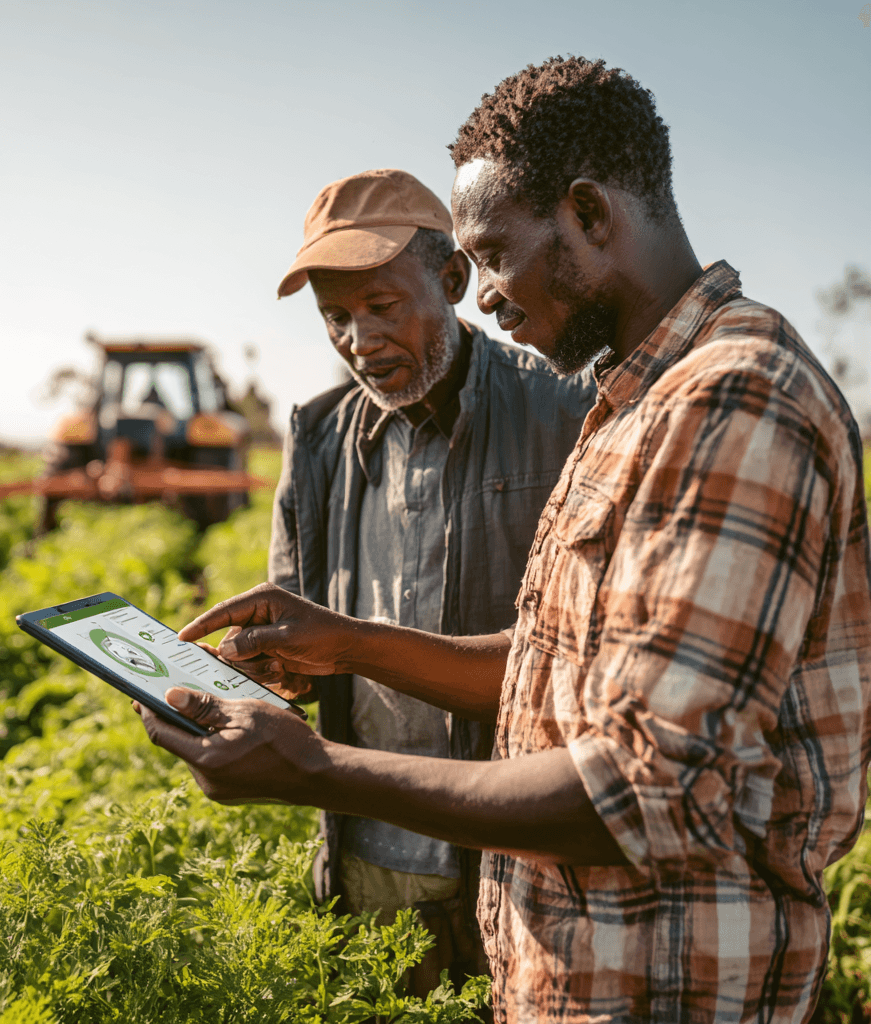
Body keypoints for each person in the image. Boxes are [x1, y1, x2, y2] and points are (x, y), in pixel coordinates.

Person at [138, 57, 871, 1023]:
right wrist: (349, 643)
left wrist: (316, 770)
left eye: (491, 255)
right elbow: (550, 674)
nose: (485, 296)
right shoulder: (632, 400)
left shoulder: (735, 396)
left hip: (666, 989)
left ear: (590, 215)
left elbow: (651, 794)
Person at [262, 168, 594, 994]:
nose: (358, 339)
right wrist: (272, 670)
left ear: (451, 282)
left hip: (513, 858)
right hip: (367, 856)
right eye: (335, 317)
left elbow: (585, 659)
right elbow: (300, 640)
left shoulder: (563, 409)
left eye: (382, 307)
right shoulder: (316, 438)